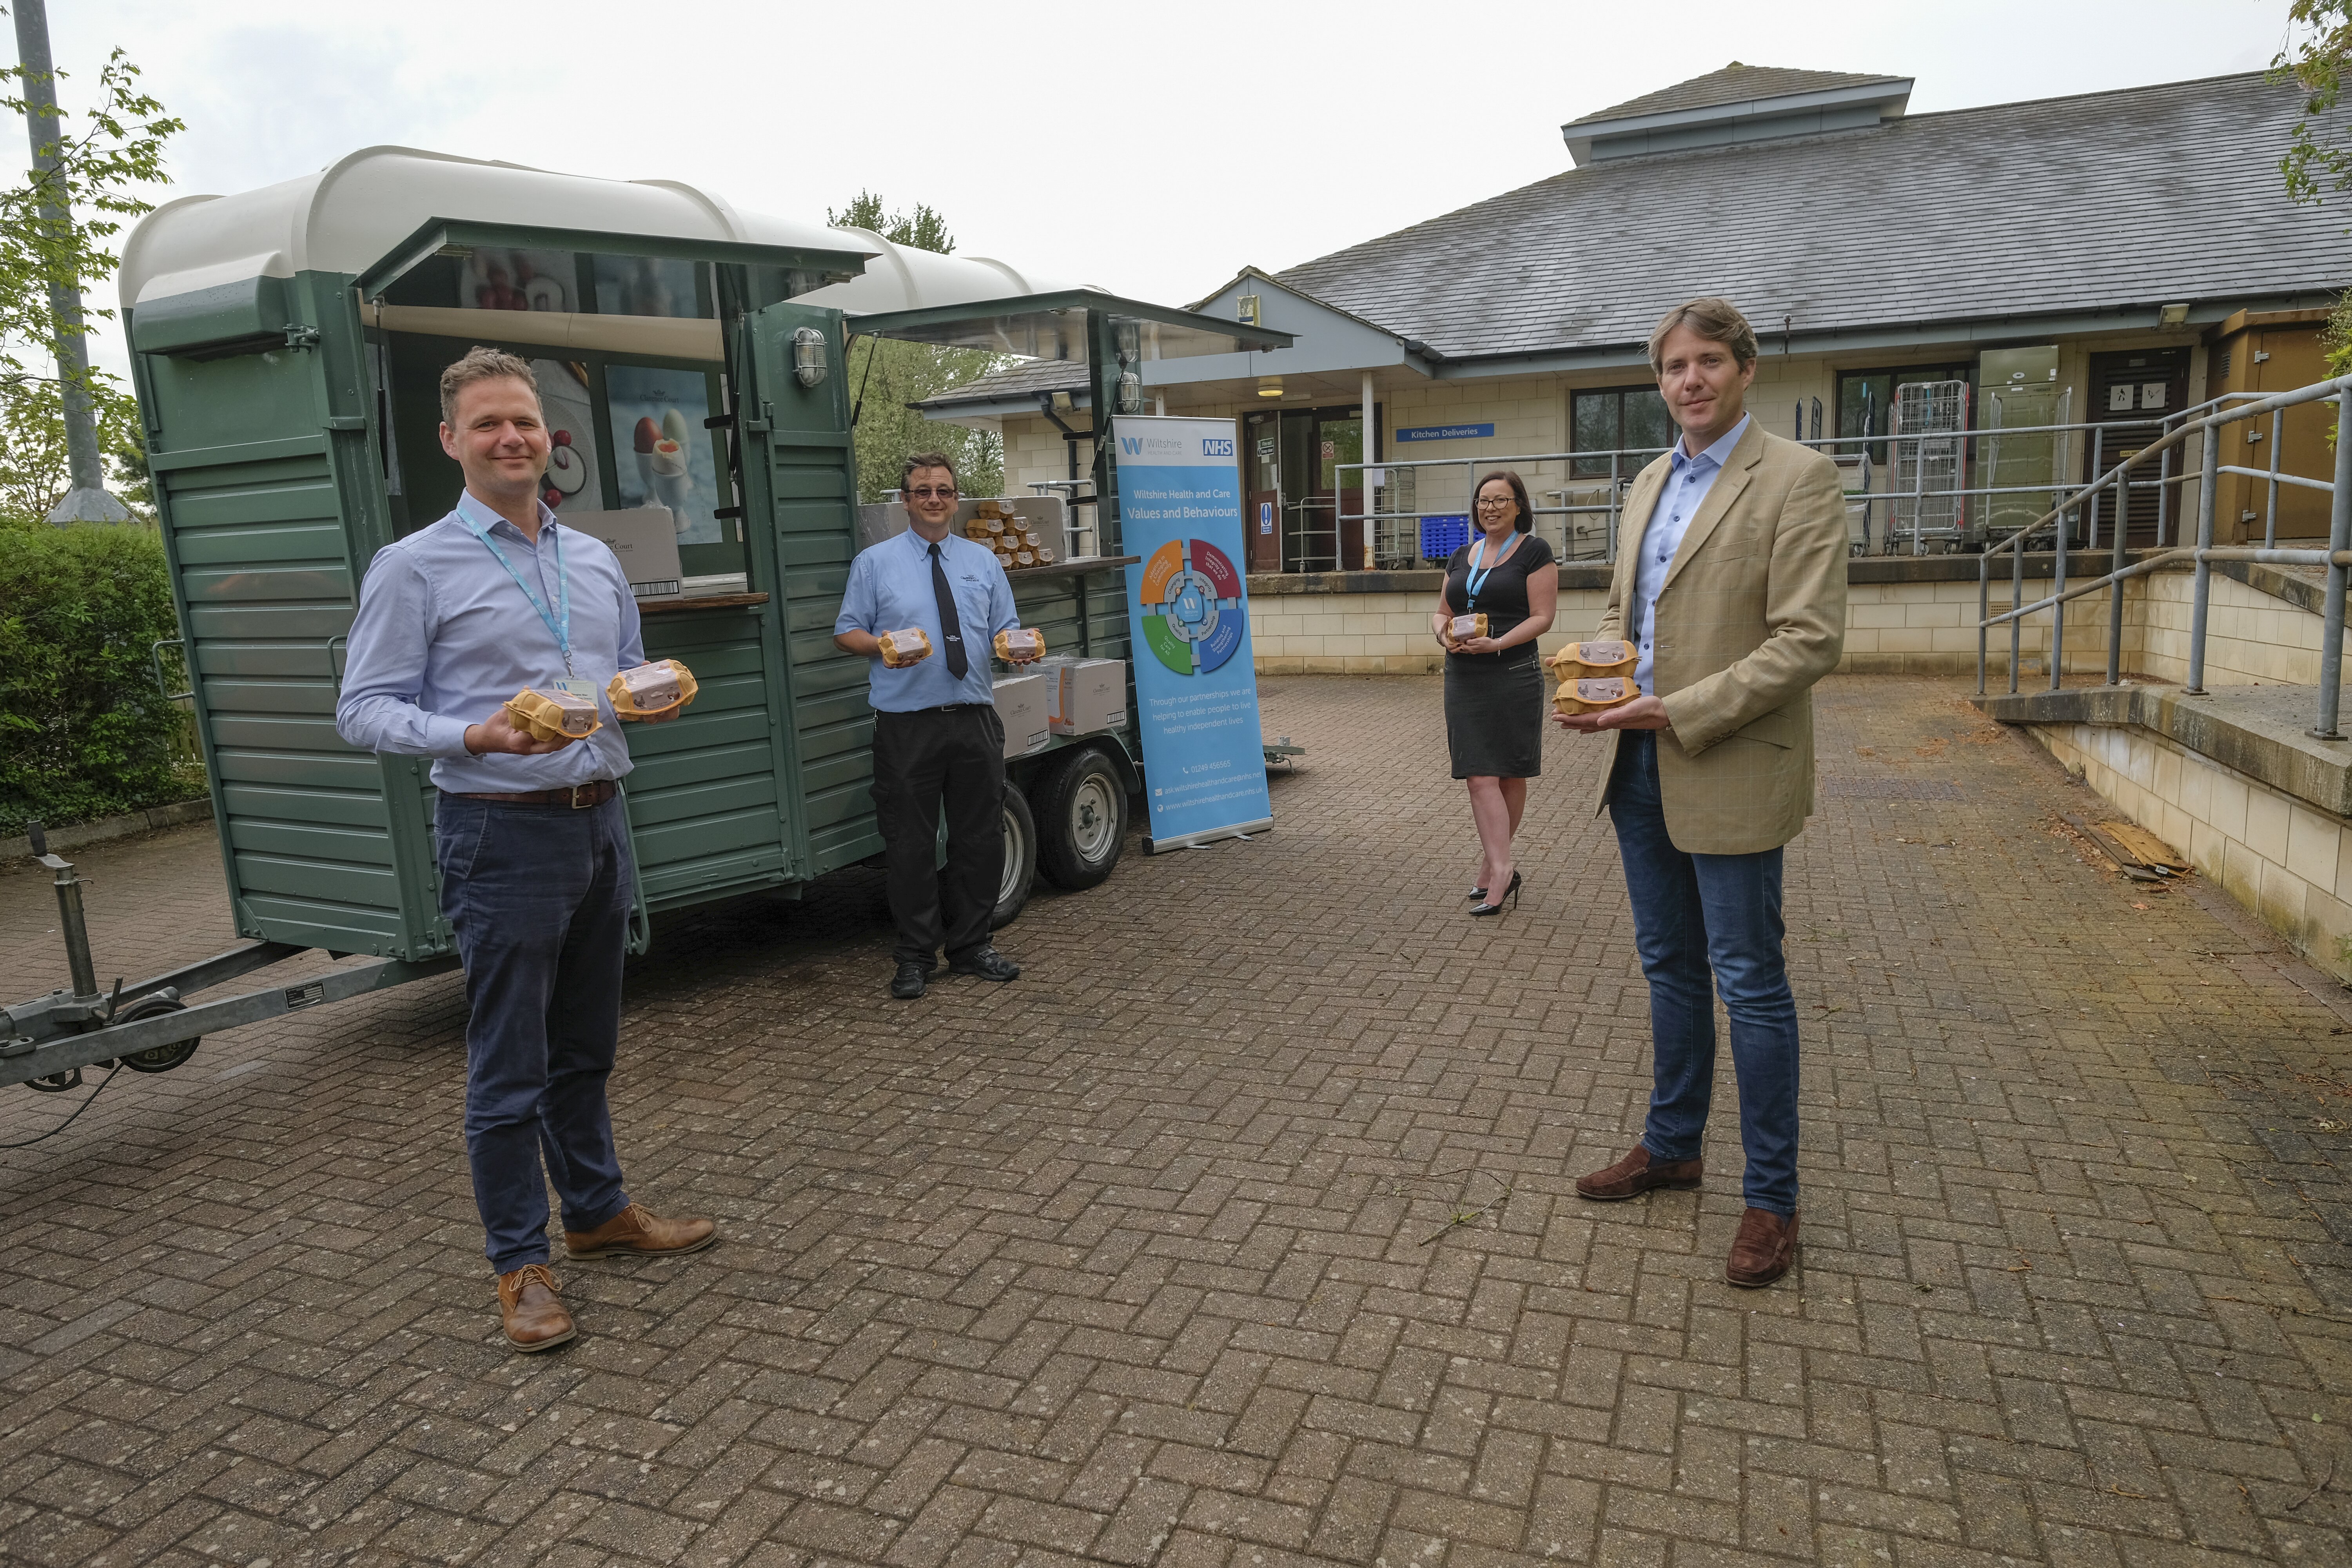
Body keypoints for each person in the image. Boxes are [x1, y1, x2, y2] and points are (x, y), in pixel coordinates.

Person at [337, 347, 716, 1354]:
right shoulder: (414, 564)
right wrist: (472, 735)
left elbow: (622, 673)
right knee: (509, 1070)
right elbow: (363, 709)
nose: (513, 437)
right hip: (498, 829)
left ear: (552, 438)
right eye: (490, 424)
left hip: (599, 817)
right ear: (451, 440)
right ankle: (520, 1265)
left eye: (527, 422)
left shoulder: (591, 558)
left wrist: (652, 692)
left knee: (585, 1048)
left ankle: (594, 1213)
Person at [1551, 298, 1846, 1288]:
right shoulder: (1645, 482)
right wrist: (1594, 680)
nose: (1690, 380)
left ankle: (1773, 1199)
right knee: (1669, 968)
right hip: (1635, 765)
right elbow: (1621, 608)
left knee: (1750, 983)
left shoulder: (1798, 479)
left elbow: (1809, 640)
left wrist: (1672, 707)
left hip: (1725, 759)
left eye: (1708, 361)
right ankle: (1673, 1145)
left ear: (1745, 369)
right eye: (1674, 365)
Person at [834, 452, 1042, 1000]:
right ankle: (916, 955)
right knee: (910, 845)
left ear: (956, 499)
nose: (933, 499)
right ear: (904, 500)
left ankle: (973, 946)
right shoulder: (874, 564)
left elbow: (1006, 629)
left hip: (974, 718)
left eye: (944, 491)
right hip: (906, 726)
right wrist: (880, 647)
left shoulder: (983, 562)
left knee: (980, 839)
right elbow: (846, 632)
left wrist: (1016, 650)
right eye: (922, 490)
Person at [1429, 470, 1557, 916]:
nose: (1491, 508)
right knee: (1479, 774)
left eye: (1501, 500)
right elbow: (1442, 610)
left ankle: (1494, 867)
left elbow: (1543, 616)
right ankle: (1502, 867)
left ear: (1519, 505)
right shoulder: (1463, 554)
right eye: (1484, 500)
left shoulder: (1535, 552)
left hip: (1513, 673)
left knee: (1509, 773)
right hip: (1464, 676)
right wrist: (1444, 635)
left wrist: (1499, 642)